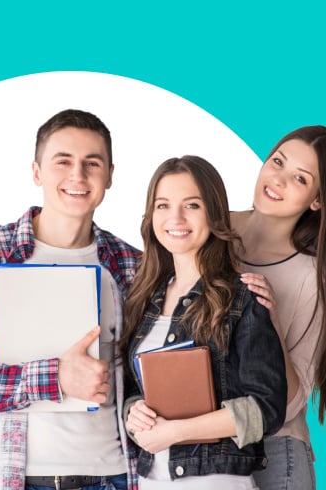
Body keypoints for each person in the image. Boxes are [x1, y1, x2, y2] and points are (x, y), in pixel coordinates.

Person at [0, 109, 140, 490]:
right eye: (63, 161)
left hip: (115, 475)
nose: (77, 175)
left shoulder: (131, 265)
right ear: (36, 171)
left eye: (92, 163)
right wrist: (54, 377)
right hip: (21, 478)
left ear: (110, 175)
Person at [120, 155, 287, 489]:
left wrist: (176, 432)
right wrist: (133, 412)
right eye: (163, 205)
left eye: (192, 205)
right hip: (152, 480)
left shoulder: (241, 297)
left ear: (213, 212)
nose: (175, 217)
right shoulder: (142, 298)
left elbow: (266, 408)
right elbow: (133, 390)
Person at [231, 126, 326, 490]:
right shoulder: (209, 229)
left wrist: (269, 319)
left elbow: (289, 402)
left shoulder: (310, 278)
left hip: (274, 453)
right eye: (277, 162)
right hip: (202, 451)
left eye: (300, 179)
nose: (278, 180)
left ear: (317, 201)